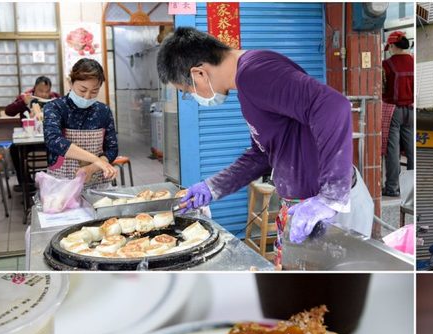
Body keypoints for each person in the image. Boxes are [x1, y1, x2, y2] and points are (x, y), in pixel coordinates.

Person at [156, 28, 369, 265]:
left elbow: (334, 106)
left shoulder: (255, 73)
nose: (192, 97)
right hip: (304, 210)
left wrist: (330, 198)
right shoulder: (248, 83)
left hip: (330, 212)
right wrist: (212, 186)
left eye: (187, 91)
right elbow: (262, 155)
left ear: (199, 73)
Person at [43, 59, 118, 185]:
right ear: (71, 83)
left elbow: (112, 149)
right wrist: (96, 159)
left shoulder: (103, 111)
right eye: (82, 90)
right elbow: (53, 140)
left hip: (97, 181)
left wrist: (92, 168)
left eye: (94, 91)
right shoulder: (55, 107)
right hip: (62, 183)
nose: (87, 96)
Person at [382, 31, 414, 198]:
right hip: (411, 109)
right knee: (411, 150)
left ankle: (392, 188)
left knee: (393, 150)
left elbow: (382, 87)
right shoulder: (413, 61)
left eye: (390, 47)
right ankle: (412, 188)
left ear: (393, 46)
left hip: (393, 110)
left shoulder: (387, 64)